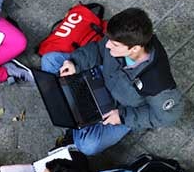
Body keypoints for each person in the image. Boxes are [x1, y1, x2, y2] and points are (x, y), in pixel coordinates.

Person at [41, 8, 183, 155]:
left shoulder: (158, 83)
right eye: (109, 40)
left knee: (88, 145)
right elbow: (99, 49)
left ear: (134, 49)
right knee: (50, 60)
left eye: (114, 45)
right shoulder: (120, 40)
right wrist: (75, 63)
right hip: (102, 78)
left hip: (121, 108)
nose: (108, 45)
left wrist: (122, 116)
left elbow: (169, 116)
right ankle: (77, 117)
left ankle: (74, 117)